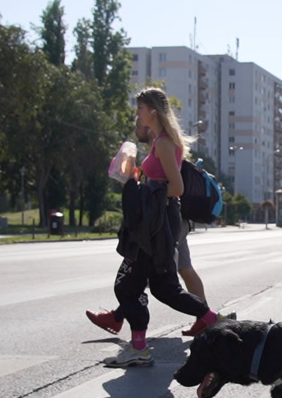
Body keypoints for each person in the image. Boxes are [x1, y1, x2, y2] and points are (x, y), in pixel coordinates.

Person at [102, 88, 218, 368]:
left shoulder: (165, 143)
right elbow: (163, 181)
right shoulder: (159, 142)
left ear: (152, 110)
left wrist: (141, 190)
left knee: (127, 286)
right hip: (157, 221)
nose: (137, 114)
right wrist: (138, 179)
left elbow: (175, 188)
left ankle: (140, 348)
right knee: (163, 288)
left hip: (156, 224)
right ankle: (215, 321)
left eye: (140, 108)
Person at [87, 120, 223, 337]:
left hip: (167, 219)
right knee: (172, 272)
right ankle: (207, 319)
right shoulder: (157, 147)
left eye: (138, 121)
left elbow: (171, 187)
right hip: (169, 218)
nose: (135, 127)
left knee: (158, 276)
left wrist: (135, 186)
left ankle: (208, 319)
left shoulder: (162, 146)